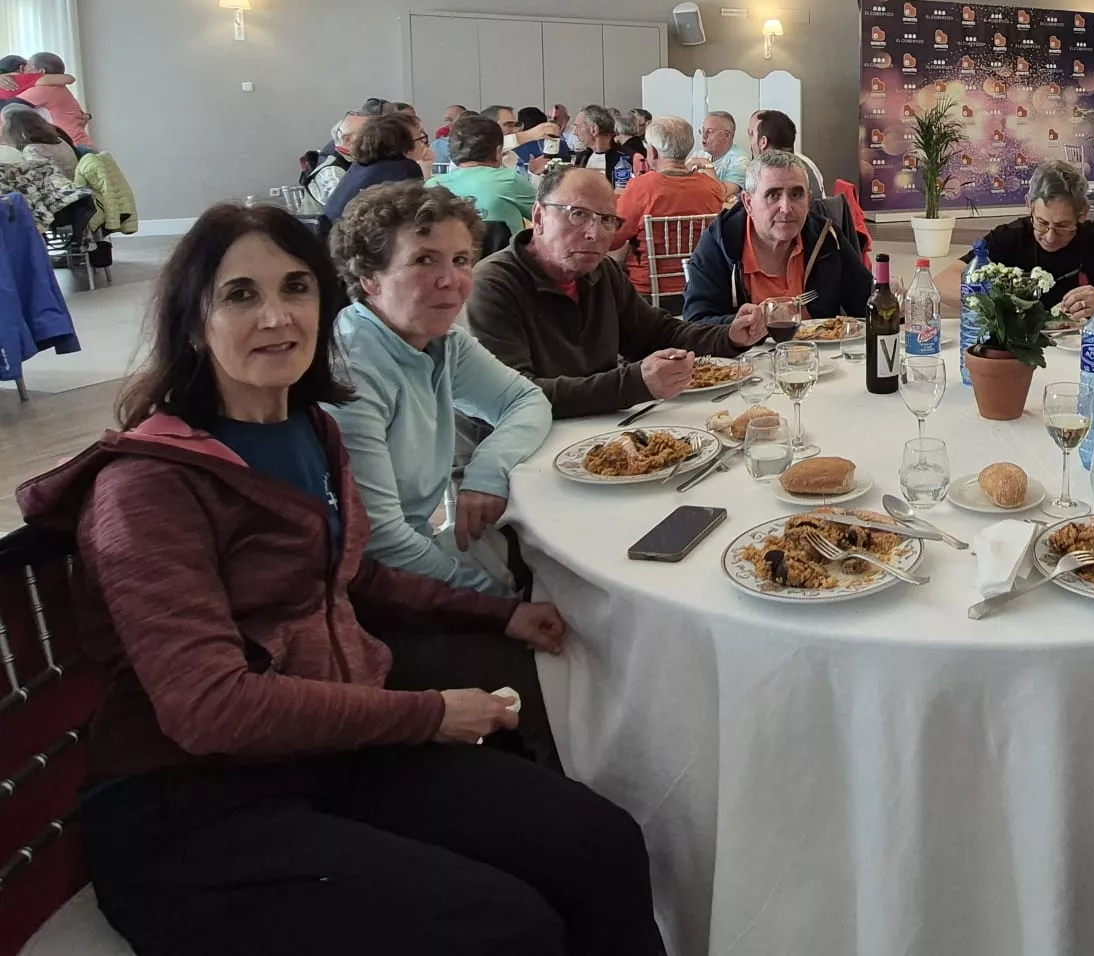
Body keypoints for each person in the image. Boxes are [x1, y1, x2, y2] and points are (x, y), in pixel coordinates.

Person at [14, 203, 664, 956]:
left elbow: (352, 576)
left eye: (296, 289)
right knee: (505, 927)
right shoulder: (149, 486)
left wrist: (493, 615)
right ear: (192, 322)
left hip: (330, 752)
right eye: (240, 295)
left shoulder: (309, 428)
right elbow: (210, 710)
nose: (277, 317)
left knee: (603, 843)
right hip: (192, 807)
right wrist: (426, 714)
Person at [328, 184, 550, 596]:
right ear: (370, 278)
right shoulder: (352, 370)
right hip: (364, 588)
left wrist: (488, 470)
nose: (452, 281)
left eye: (462, 260)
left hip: (417, 553)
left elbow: (526, 400)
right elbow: (381, 541)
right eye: (424, 260)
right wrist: (496, 601)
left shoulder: (439, 341)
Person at [467, 163, 767, 417]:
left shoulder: (601, 273)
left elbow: (657, 334)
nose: (594, 233)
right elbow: (518, 396)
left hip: (597, 429)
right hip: (512, 455)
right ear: (539, 217)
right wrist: (634, 383)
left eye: (607, 220)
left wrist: (728, 336)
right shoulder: (493, 285)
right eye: (577, 214)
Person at [931, 160, 1094, 319]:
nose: (1050, 237)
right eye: (1041, 223)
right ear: (1029, 206)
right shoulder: (1010, 237)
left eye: (1062, 226)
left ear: (1083, 214)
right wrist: (998, 303)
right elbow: (942, 282)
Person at [683, 150, 872, 325]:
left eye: (796, 195)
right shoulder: (720, 242)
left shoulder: (826, 237)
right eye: (773, 195)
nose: (786, 208)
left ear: (809, 199)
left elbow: (865, 302)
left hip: (820, 358)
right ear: (748, 203)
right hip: (746, 357)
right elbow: (697, 321)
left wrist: (888, 298)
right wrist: (744, 324)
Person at [613, 116, 729, 294]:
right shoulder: (711, 187)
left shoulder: (640, 188)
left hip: (646, 291)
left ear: (653, 152)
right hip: (700, 287)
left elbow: (613, 240)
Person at [318, 114, 427, 233]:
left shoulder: (358, 166)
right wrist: (426, 169)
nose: (424, 144)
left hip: (334, 240)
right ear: (405, 144)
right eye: (420, 138)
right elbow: (419, 218)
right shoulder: (404, 168)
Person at [431, 115, 538, 236]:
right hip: (501, 253)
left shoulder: (431, 186)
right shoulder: (509, 179)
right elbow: (543, 216)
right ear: (498, 152)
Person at [9, 51, 93, 147]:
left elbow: (8, 107)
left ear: (40, 71)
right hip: (77, 144)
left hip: (73, 147)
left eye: (27, 65)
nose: (23, 70)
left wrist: (12, 79)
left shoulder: (45, 90)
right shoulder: (58, 87)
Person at [557, 104, 640, 187]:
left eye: (578, 127)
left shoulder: (631, 158)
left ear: (594, 129)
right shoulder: (582, 157)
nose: (575, 133)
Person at [749, 109, 825, 196]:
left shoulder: (773, 173)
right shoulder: (802, 164)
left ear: (763, 142)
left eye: (752, 135)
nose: (751, 142)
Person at [2, 106, 78, 178]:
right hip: (73, 179)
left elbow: (40, 177)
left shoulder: (32, 150)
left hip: (61, 185)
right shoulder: (59, 139)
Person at [695, 110, 749, 190]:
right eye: (703, 131)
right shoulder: (699, 155)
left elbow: (723, 193)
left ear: (727, 135)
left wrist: (707, 165)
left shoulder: (740, 161)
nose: (704, 136)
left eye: (709, 131)